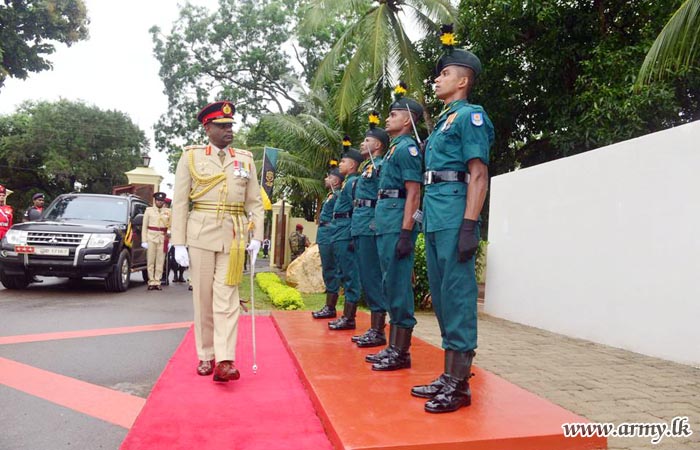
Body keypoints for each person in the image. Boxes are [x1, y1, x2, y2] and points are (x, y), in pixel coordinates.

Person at [410, 25, 494, 413]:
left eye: (445, 74)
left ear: (462, 80)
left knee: (458, 297)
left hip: (456, 213)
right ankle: (449, 374)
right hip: (437, 216)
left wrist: (468, 225)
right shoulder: (445, 119)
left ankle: (459, 386)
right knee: (442, 298)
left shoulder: (470, 117)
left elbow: (478, 173)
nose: (437, 79)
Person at [171, 100, 264, 383]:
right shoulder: (191, 157)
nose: (228, 130)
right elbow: (180, 202)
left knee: (227, 297)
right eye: (222, 126)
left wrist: (257, 235)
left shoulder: (245, 159)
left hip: (234, 235)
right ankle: (206, 355)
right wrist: (178, 242)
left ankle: (225, 360)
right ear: (207, 127)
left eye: (230, 125)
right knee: (203, 298)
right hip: (199, 233)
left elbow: (255, 203)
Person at [364, 83, 423, 371]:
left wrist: (406, 231)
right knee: (389, 283)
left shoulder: (407, 149)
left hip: (397, 223)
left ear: (407, 119)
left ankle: (401, 351)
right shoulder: (393, 150)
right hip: (385, 222)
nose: (388, 119)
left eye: (394, 114)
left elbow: (413, 192)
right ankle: (393, 346)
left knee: (398, 285)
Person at [350, 111, 390, 347]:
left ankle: (378, 330)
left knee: (373, 276)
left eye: (366, 141)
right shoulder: (367, 166)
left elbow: (382, 195)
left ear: (378, 144)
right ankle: (374, 327)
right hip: (360, 223)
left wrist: (375, 222)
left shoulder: (382, 164)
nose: (362, 144)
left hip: (371, 224)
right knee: (366, 275)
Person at [327, 138, 363, 330]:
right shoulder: (347, 183)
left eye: (343, 161)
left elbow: (357, 209)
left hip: (346, 229)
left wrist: (351, 234)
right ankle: (346, 315)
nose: (340, 164)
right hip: (338, 229)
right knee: (342, 271)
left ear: (352, 164)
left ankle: (350, 317)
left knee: (350, 274)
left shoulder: (355, 182)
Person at [311, 165, 343, 319]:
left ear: (336, 181)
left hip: (330, 234)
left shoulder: (337, 196)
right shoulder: (331, 195)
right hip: (325, 234)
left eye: (329, 177)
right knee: (327, 269)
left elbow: (337, 217)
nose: (326, 179)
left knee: (331, 270)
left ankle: (331, 307)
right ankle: (329, 306)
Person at [142, 192, 171, 291]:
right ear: (155, 201)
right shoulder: (148, 211)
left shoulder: (168, 212)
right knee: (150, 261)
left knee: (160, 261)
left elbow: (171, 226)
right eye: (158, 200)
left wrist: (170, 240)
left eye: (161, 201)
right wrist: (144, 240)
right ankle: (151, 281)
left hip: (162, 239)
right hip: (151, 238)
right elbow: (144, 226)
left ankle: (157, 281)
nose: (160, 202)